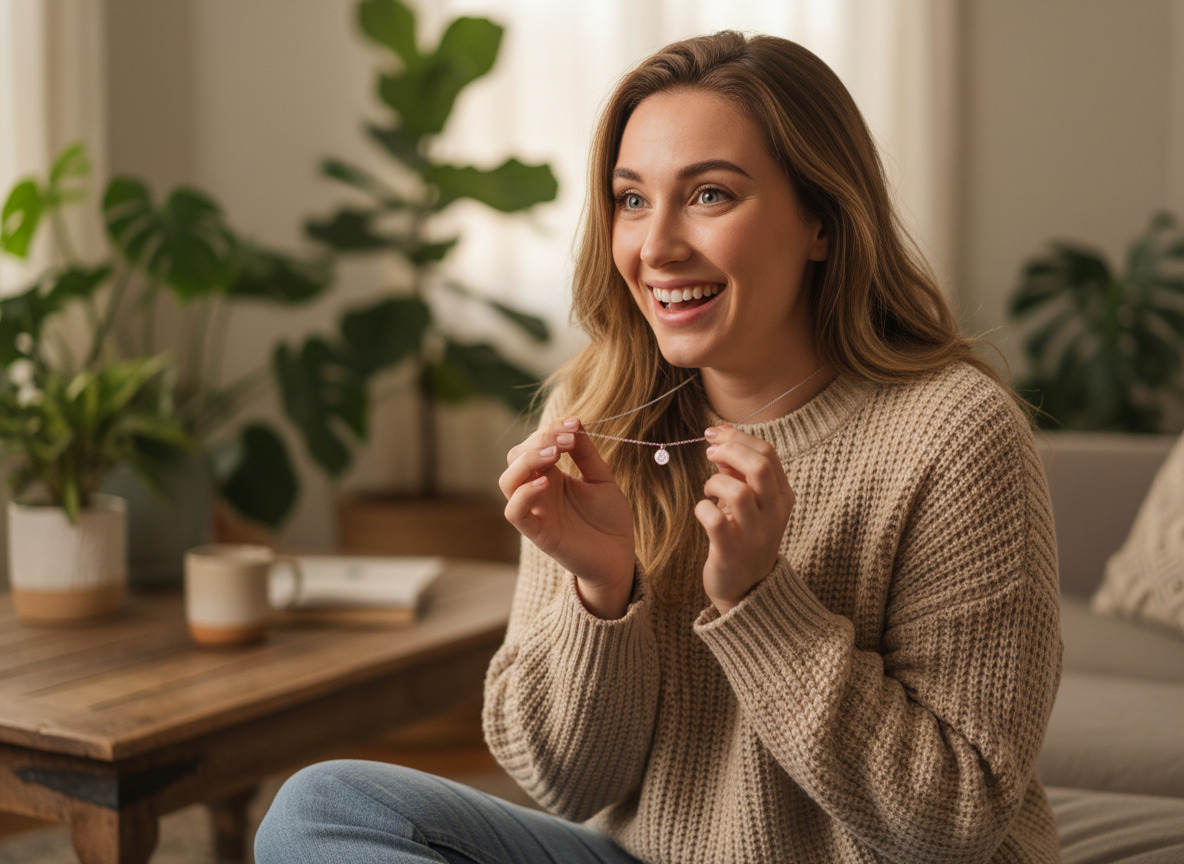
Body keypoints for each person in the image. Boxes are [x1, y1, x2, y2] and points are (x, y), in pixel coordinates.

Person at [255, 31, 1063, 863]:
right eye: (632, 200)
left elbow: (953, 822)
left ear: (820, 221)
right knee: (321, 810)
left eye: (710, 195)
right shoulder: (598, 410)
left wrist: (760, 603)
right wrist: (602, 590)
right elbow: (566, 784)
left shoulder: (955, 434)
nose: (656, 247)